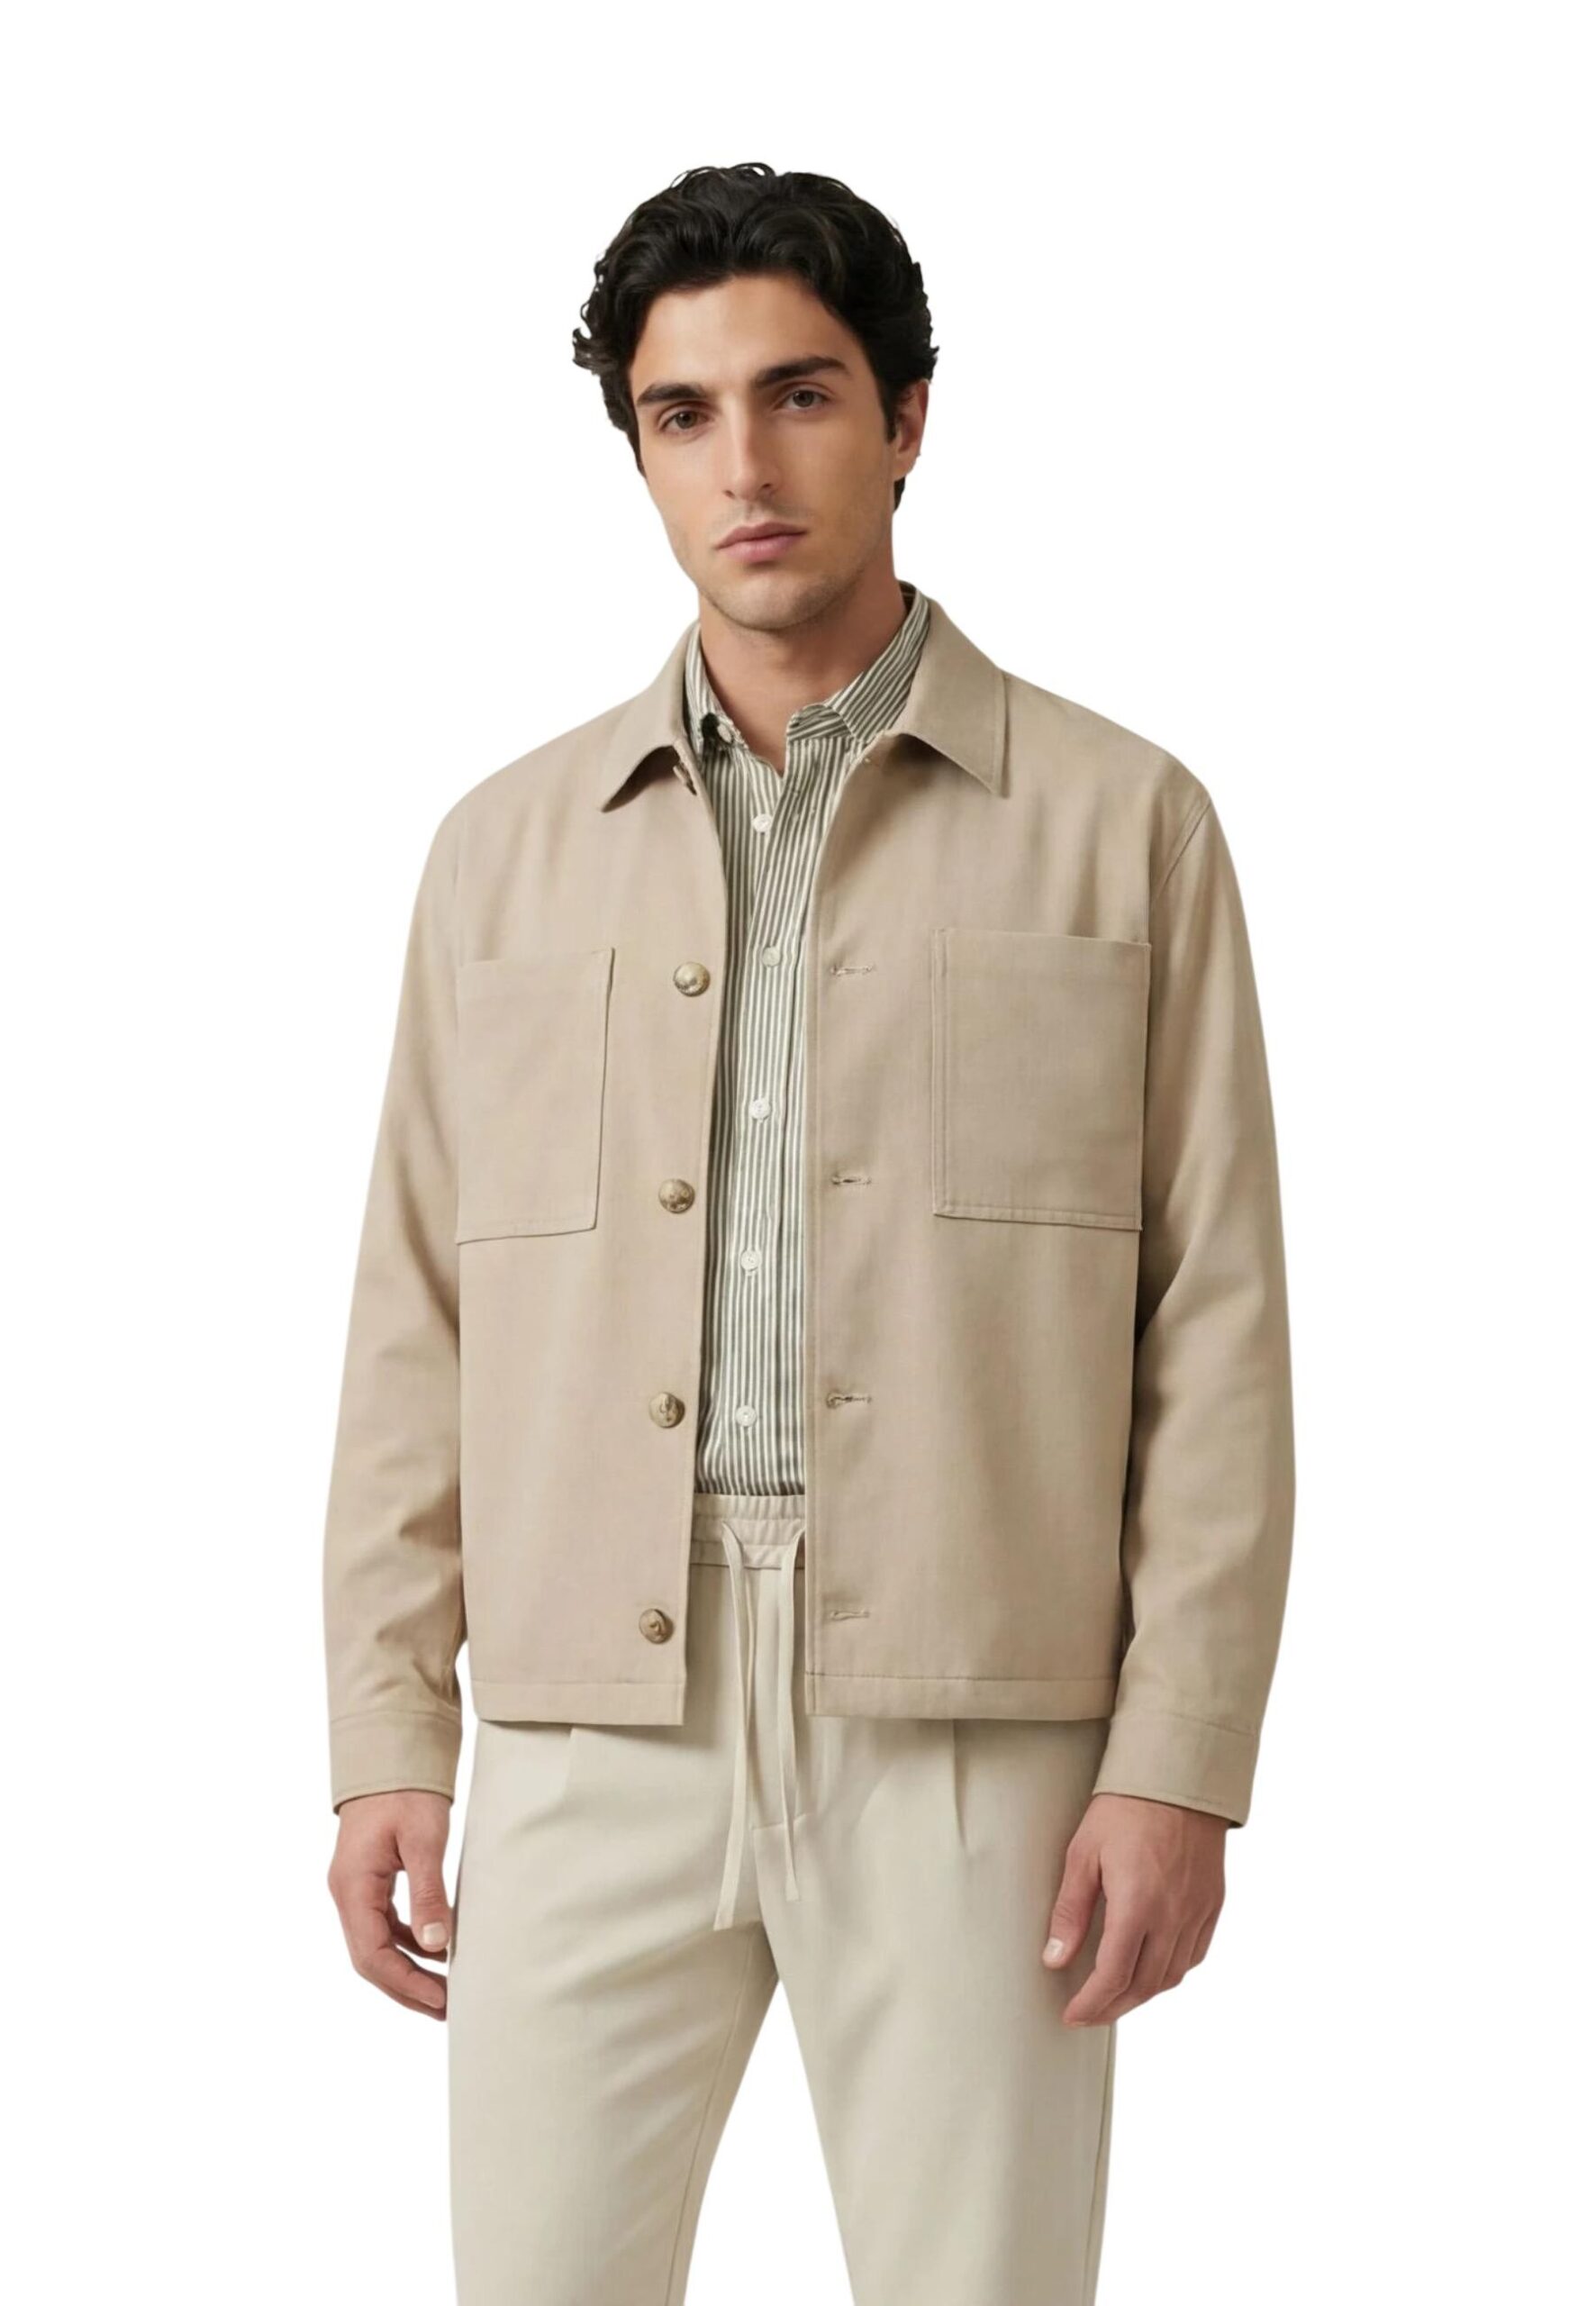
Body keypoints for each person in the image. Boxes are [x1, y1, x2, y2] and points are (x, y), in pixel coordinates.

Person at [322, 160, 1295, 2306]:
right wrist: (390, 1730)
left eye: (800, 394)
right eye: (681, 415)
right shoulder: (502, 855)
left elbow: (1216, 1323)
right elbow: (416, 1315)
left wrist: (1177, 1757)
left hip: (976, 1718)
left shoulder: (1122, 825)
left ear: (907, 415)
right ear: (636, 448)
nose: (742, 469)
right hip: (588, 1717)